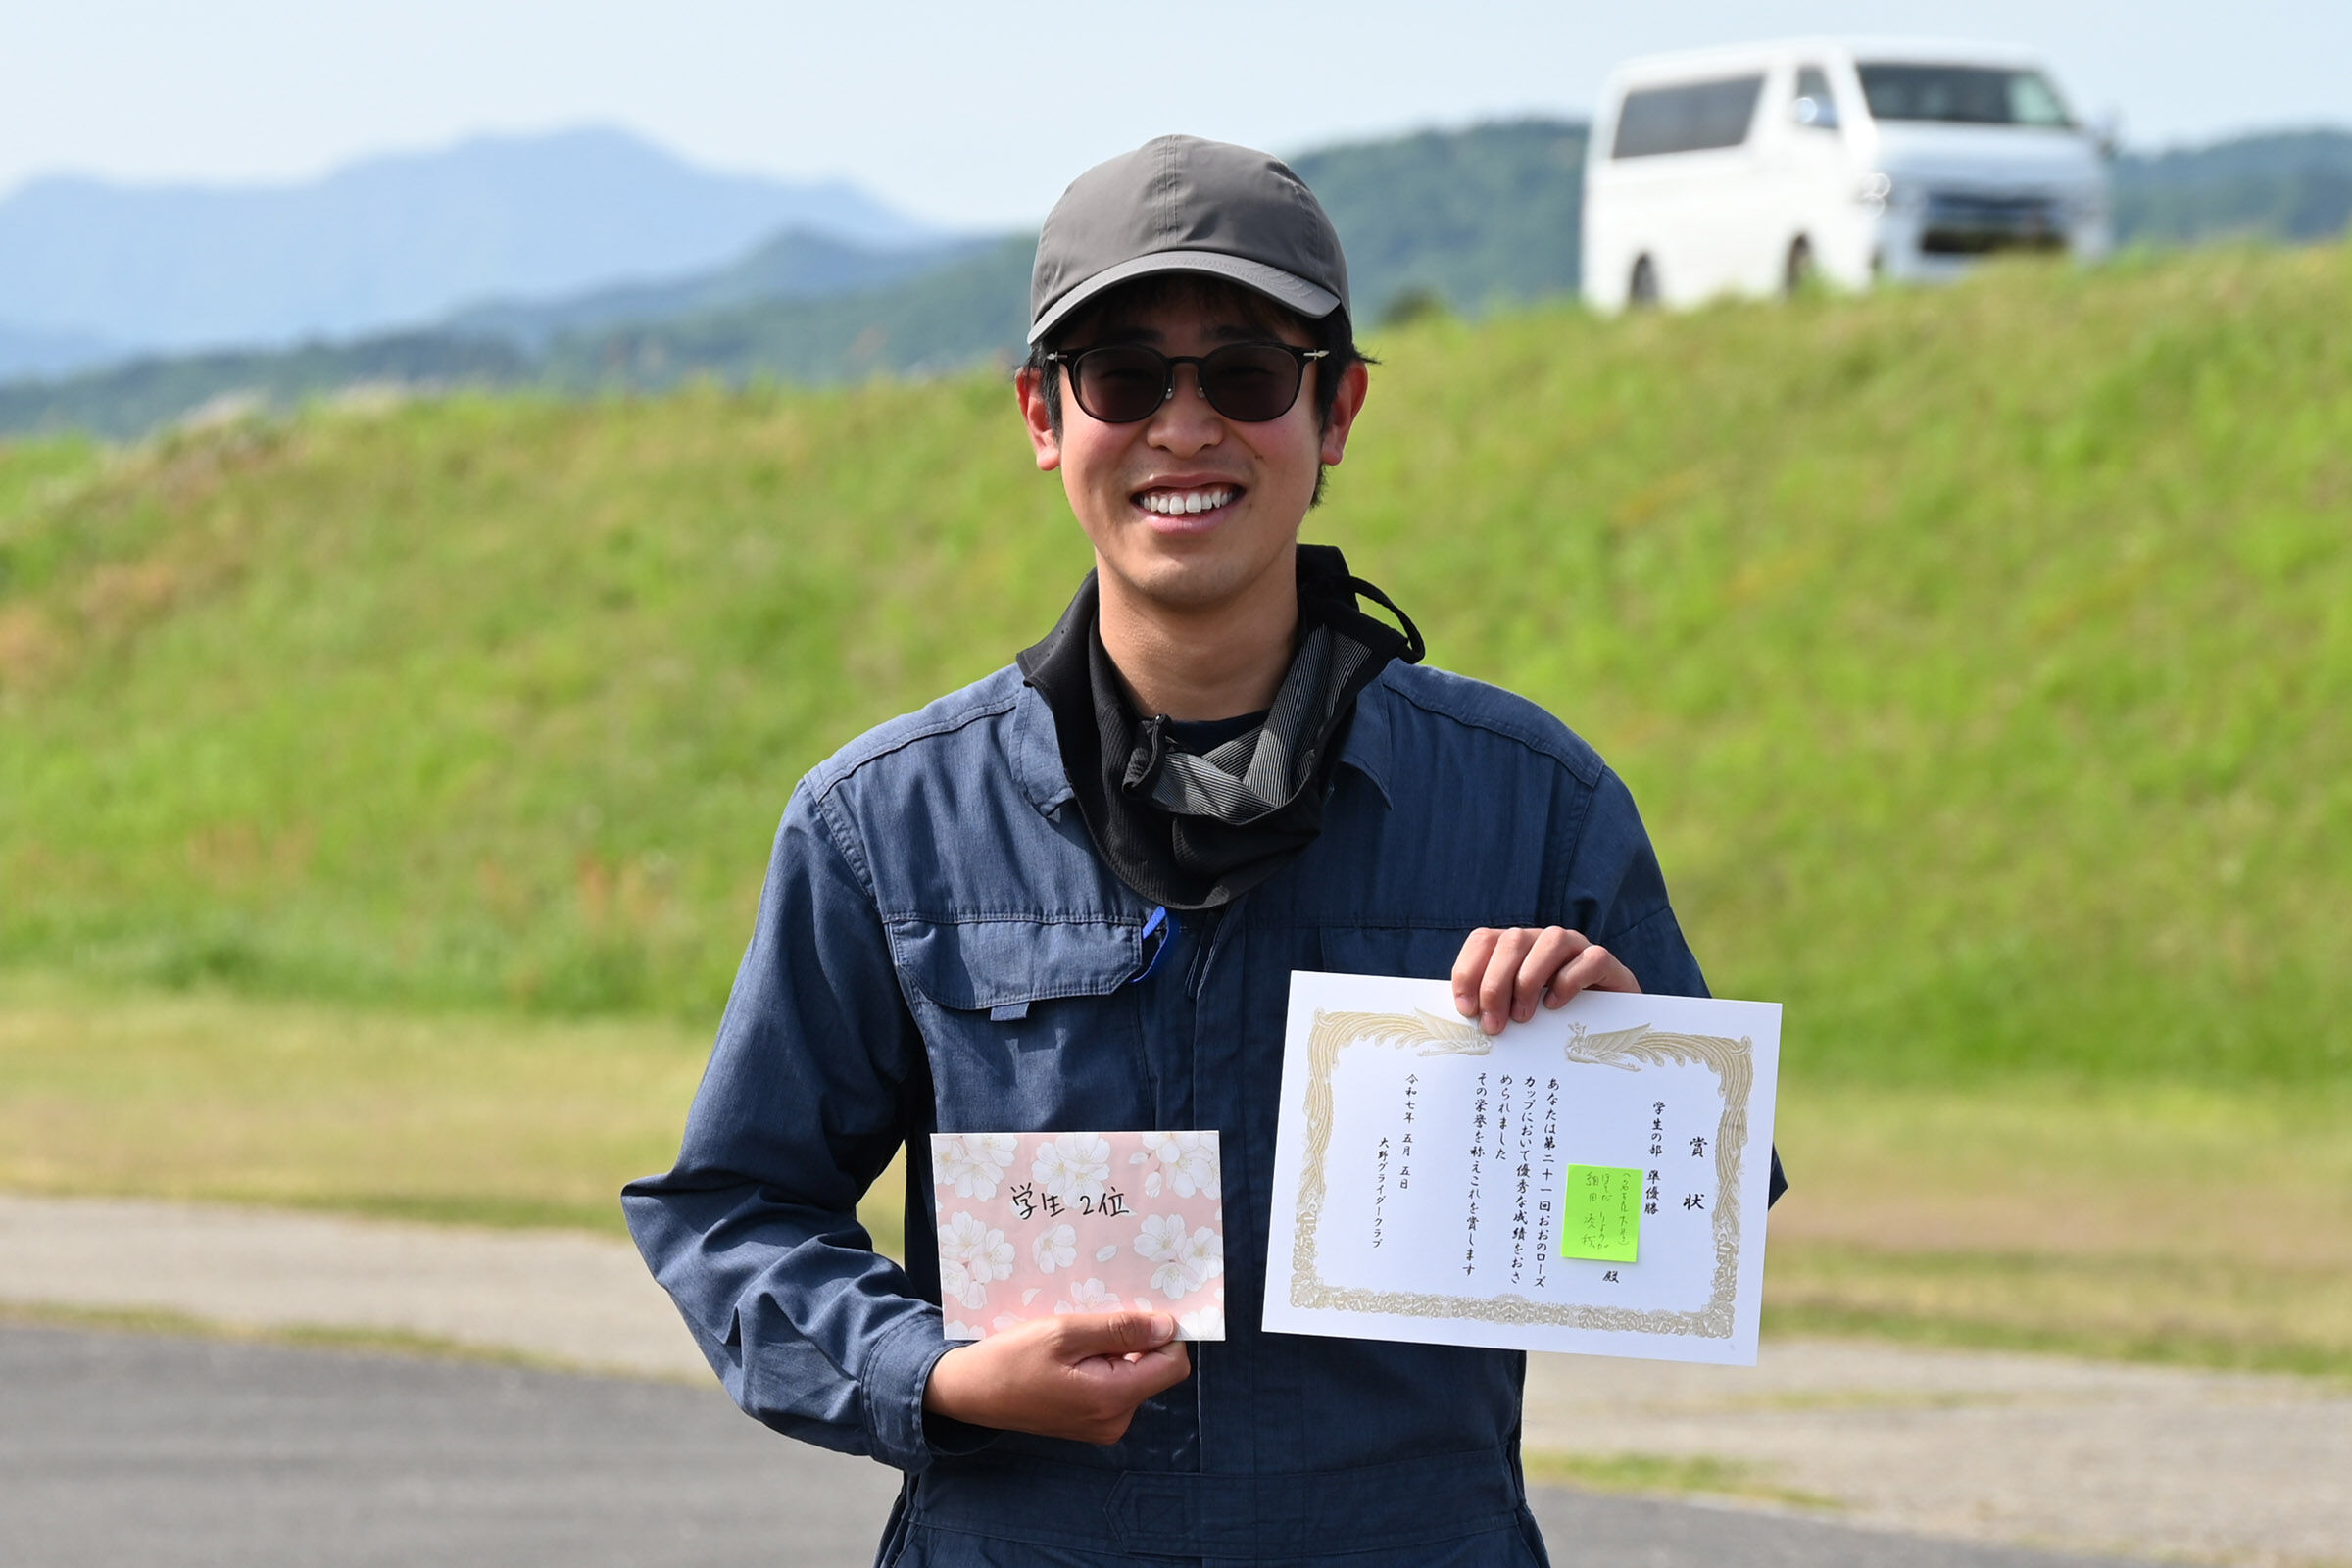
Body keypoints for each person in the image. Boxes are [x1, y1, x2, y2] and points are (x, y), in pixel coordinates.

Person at [624, 133, 1779, 1568]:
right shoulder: (889, 824)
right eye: (1123, 377)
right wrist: (934, 1375)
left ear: (1337, 411)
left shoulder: (1528, 802)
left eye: (1245, 374)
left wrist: (1622, 1070)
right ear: (1043, 416)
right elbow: (735, 1207)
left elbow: (1696, 1221)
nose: (1184, 429)